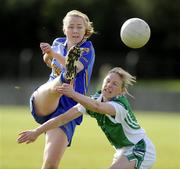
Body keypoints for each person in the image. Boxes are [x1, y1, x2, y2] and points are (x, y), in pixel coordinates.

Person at [17, 67, 156, 169]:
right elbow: (62, 119)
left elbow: (98, 107)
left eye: (115, 84)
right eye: (108, 81)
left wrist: (73, 94)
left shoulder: (120, 105)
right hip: (122, 150)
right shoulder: (94, 100)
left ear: (121, 90)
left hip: (139, 147)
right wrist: (37, 131)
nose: (109, 85)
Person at [27, 10, 95, 169]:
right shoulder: (57, 43)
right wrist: (48, 56)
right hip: (47, 97)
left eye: (79, 27)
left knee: (50, 165)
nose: (75, 30)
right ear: (65, 29)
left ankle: (65, 78)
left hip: (69, 106)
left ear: (86, 30)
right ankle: (64, 79)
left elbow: (75, 68)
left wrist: (53, 55)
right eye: (71, 27)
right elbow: (49, 61)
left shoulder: (87, 48)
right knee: (56, 86)